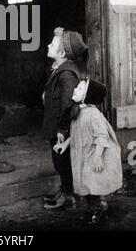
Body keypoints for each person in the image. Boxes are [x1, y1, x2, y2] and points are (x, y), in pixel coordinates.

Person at [54, 79, 123, 224]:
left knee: (92, 183)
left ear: (87, 96)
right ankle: (94, 208)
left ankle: (96, 210)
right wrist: (65, 144)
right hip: (82, 154)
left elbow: (102, 136)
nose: (74, 90)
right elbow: (77, 133)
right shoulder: (78, 112)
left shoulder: (93, 114)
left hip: (93, 153)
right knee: (84, 183)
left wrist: (98, 156)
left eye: (79, 89)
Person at [42, 27, 88, 209]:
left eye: (52, 44)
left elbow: (68, 105)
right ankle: (65, 189)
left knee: (63, 162)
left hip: (61, 128)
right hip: (57, 126)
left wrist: (63, 130)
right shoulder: (60, 69)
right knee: (59, 161)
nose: (48, 44)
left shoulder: (67, 74)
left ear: (62, 53)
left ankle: (68, 195)